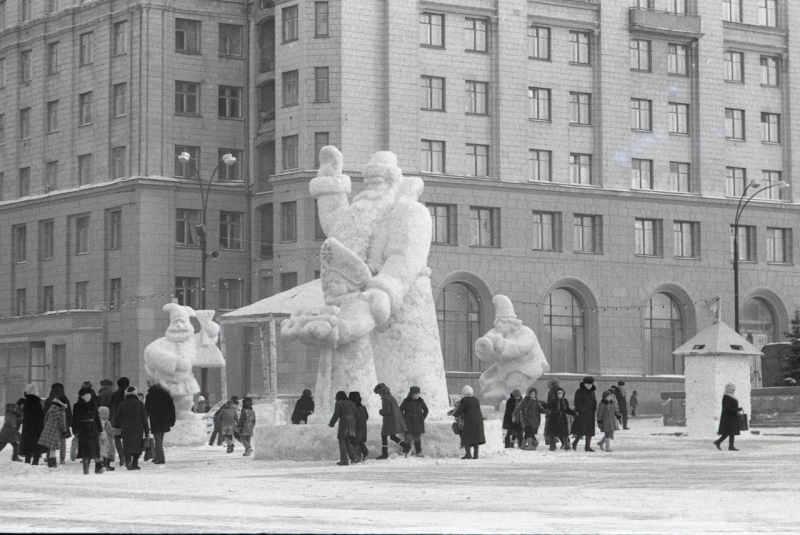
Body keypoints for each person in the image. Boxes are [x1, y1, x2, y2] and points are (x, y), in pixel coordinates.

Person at [112, 386, 150, 470]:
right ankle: (135, 464)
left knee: (127, 445)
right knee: (137, 446)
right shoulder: (140, 404)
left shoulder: (122, 404)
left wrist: (116, 426)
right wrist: (147, 430)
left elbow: (117, 417)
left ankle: (128, 462)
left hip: (126, 428)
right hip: (138, 428)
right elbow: (144, 418)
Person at [72, 386, 105, 474]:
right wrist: (75, 431)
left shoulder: (93, 404)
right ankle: (86, 470)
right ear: (82, 396)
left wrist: (100, 430)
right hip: (83, 428)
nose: (88, 397)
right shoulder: (77, 406)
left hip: (93, 428)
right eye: (86, 395)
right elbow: (74, 419)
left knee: (93, 449)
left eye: (89, 395)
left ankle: (96, 467)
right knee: (85, 450)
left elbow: (97, 418)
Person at [373, 383, 410, 459]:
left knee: (384, 435)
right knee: (392, 436)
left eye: (379, 393)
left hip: (389, 420)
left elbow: (386, 411)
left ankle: (384, 454)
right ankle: (407, 446)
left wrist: (381, 411)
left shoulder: (385, 398)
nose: (379, 395)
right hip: (394, 419)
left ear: (381, 392)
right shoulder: (391, 397)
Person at [145, 381, 176, 465]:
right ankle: (157, 456)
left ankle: (160, 458)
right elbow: (171, 407)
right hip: (165, 419)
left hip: (155, 419)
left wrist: (144, 420)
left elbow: (147, 409)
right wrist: (172, 419)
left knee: (157, 439)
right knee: (160, 439)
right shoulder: (166, 394)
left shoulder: (150, 395)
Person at [451, 385, 485, 459]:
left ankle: (468, 454)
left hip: (469, 421)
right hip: (478, 420)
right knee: (476, 437)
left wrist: (454, 414)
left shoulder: (464, 400)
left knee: (466, 437)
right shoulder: (476, 399)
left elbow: (459, 411)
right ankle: (476, 455)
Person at [43, 383, 72, 465]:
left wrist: (45, 422)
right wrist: (69, 423)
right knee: (63, 440)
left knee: (51, 440)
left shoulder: (49, 399)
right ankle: (62, 458)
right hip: (63, 421)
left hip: (52, 422)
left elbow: (45, 412)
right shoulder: (65, 399)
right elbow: (69, 412)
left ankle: (49, 456)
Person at [328, 391, 358, 465]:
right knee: (347, 441)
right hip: (352, 423)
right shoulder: (352, 403)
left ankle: (344, 460)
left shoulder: (339, 403)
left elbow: (336, 414)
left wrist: (331, 423)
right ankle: (353, 457)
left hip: (344, 423)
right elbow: (357, 415)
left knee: (341, 441)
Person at [38, 397, 68, 469]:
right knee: (53, 448)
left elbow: (45, 418)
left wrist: (47, 425)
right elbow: (62, 424)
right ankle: (52, 464)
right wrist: (64, 431)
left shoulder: (51, 408)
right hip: (55, 430)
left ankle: (52, 463)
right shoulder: (62, 412)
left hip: (48, 428)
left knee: (51, 448)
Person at [399, 386, 429, 457]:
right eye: (416, 394)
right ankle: (405, 450)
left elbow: (426, 410)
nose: (417, 395)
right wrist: (404, 418)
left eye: (418, 393)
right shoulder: (406, 401)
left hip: (418, 423)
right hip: (408, 422)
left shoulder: (420, 401)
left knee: (417, 437)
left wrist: (421, 418)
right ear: (412, 394)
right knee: (408, 437)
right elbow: (400, 410)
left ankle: (418, 452)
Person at [714, 383, 744, 451]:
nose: (734, 390)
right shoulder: (727, 397)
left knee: (730, 432)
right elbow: (727, 408)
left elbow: (731, 407)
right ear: (730, 389)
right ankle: (728, 445)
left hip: (731, 417)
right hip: (729, 418)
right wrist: (736, 411)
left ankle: (723, 443)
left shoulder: (729, 396)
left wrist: (738, 409)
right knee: (729, 432)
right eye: (733, 389)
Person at [21, 383, 45, 465]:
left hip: (28, 428)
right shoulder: (37, 402)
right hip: (37, 427)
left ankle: (27, 461)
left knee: (28, 445)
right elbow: (41, 415)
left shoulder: (26, 402)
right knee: (36, 446)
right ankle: (35, 462)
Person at [572, 376, 598, 452]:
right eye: (587, 384)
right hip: (582, 414)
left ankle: (587, 446)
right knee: (582, 430)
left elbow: (594, 402)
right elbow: (577, 402)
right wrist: (581, 410)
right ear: (584, 383)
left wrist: (594, 410)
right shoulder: (579, 391)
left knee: (589, 431)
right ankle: (575, 442)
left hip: (590, 414)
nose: (589, 386)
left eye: (590, 384)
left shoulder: (592, 392)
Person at [109, 376, 130, 466]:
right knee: (127, 439)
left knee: (117, 439)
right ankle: (127, 457)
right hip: (127, 420)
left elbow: (111, 407)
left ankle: (121, 457)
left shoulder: (114, 395)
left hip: (117, 420)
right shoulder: (129, 395)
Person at [97, 406, 119, 471]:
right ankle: (106, 465)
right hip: (106, 438)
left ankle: (102, 464)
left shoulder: (98, 420)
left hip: (100, 438)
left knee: (102, 452)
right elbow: (110, 430)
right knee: (106, 451)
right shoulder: (106, 421)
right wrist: (119, 431)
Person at [349, 391, 369, 461]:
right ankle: (365, 452)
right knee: (360, 441)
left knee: (355, 442)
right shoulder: (363, 407)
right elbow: (366, 417)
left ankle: (358, 457)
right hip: (363, 426)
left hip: (356, 427)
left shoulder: (354, 408)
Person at [543, 378, 560, 446]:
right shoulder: (557, 391)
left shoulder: (552, 392)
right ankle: (553, 444)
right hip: (555, 412)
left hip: (552, 412)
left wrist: (545, 405)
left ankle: (552, 444)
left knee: (550, 429)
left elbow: (552, 402)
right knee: (553, 428)